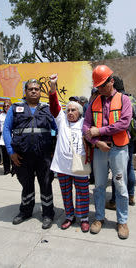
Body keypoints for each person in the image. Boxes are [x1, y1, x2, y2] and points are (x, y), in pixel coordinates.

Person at [83, 65, 132, 240]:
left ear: (112, 81)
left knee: (120, 186)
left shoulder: (124, 100)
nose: (101, 89)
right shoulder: (93, 102)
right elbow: (86, 127)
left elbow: (124, 123)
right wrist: (96, 142)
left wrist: (100, 132)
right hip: (100, 150)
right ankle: (99, 218)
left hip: (119, 148)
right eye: (98, 86)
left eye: (103, 85)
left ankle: (122, 221)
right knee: (99, 186)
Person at [3, 79, 56, 229]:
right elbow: (6, 130)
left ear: (40, 92)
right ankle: (25, 211)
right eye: (31, 89)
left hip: (43, 155)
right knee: (26, 185)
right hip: (21, 156)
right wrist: (11, 151)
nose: (34, 91)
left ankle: (47, 214)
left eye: (37, 89)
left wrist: (54, 149)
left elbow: (57, 129)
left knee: (46, 185)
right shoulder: (15, 108)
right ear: (25, 92)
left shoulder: (48, 109)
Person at [49, 74, 90, 232]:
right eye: (68, 110)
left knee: (82, 193)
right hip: (63, 165)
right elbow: (54, 105)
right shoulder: (61, 120)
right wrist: (53, 86)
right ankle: (69, 216)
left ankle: (84, 218)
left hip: (80, 165)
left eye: (73, 110)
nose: (70, 112)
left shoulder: (84, 123)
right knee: (66, 193)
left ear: (79, 112)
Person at [105, 76, 136, 210]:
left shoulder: (119, 99)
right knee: (128, 168)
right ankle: (131, 195)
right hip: (131, 138)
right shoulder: (131, 99)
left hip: (120, 138)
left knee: (117, 171)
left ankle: (114, 200)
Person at [0, 100, 12, 175]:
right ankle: (6, 169)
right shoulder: (1, 115)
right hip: (3, 138)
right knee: (5, 155)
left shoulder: (14, 114)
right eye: (5, 106)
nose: (6, 107)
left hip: (12, 137)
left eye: (8, 106)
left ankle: (14, 169)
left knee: (12, 154)